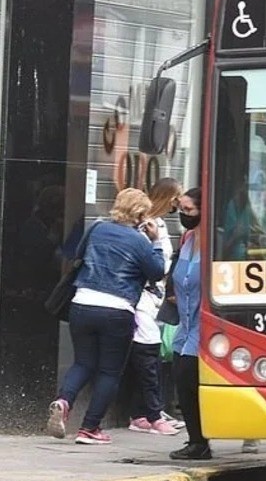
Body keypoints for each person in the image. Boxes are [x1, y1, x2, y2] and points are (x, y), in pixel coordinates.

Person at [46, 188, 166, 445]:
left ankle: (64, 400)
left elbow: (79, 256)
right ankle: (89, 428)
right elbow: (157, 272)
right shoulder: (140, 241)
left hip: (82, 303)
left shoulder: (97, 228)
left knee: (83, 363)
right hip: (117, 309)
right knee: (109, 371)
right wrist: (155, 241)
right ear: (142, 214)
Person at [126, 178, 183, 436]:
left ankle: (149, 411)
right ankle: (146, 413)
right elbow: (151, 264)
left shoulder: (158, 225)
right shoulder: (146, 227)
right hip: (144, 298)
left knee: (153, 355)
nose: (177, 204)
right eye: (175, 198)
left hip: (155, 297)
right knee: (147, 354)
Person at [169, 188, 211, 460]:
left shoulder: (214, 245)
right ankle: (195, 440)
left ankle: (200, 441)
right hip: (183, 326)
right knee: (182, 383)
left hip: (203, 326)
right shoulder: (186, 239)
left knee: (189, 377)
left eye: (188, 211)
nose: (183, 216)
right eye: (180, 210)